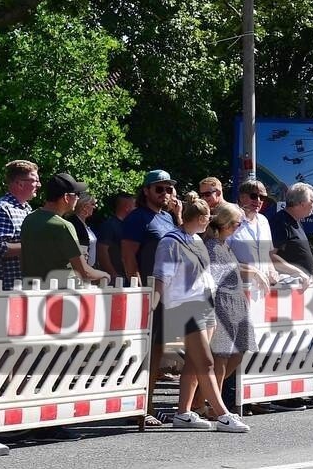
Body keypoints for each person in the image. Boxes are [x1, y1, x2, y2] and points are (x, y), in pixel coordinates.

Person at [153, 193, 249, 432]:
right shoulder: (170, 242)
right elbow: (161, 278)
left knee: (195, 365)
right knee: (206, 362)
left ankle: (183, 412)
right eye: (207, 217)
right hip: (184, 308)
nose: (210, 221)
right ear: (197, 217)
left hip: (203, 305)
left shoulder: (196, 240)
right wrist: (154, 307)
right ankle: (222, 413)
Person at [122, 169, 180, 427]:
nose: (165, 193)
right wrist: (137, 289)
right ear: (146, 191)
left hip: (169, 292)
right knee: (143, 351)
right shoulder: (138, 218)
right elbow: (128, 255)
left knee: (156, 351)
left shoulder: (167, 217)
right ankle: (138, 407)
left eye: (169, 188)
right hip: (148, 291)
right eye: (159, 188)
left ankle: (149, 404)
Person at [203, 203, 262, 418]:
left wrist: (254, 271)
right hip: (222, 305)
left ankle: (207, 397)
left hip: (236, 303)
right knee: (221, 357)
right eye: (237, 224)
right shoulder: (211, 247)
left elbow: (233, 269)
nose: (239, 227)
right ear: (226, 224)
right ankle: (214, 405)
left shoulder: (224, 244)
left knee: (238, 352)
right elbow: (213, 283)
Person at [20, 173, 109, 285]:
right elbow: (84, 272)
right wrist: (105, 275)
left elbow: (23, 260)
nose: (78, 198)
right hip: (61, 295)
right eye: (76, 194)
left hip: (32, 291)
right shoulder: (63, 226)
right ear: (66, 197)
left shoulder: (29, 220)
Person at [0, 160, 39, 290]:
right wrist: (34, 246)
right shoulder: (2, 208)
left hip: (27, 287)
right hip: (6, 291)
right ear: (20, 184)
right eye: (35, 180)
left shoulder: (27, 209)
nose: (39, 185)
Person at [270, 182, 313, 284]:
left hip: (302, 286)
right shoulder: (280, 222)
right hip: (287, 289)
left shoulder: (297, 221)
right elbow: (270, 255)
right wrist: (298, 273)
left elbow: (302, 257)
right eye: (312, 201)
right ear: (301, 203)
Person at [96, 192, 134, 281]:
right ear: (127, 207)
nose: (136, 209)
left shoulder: (128, 226)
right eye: (135, 206)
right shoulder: (109, 225)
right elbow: (102, 250)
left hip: (128, 278)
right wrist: (113, 274)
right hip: (115, 279)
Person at [67, 193, 98, 268]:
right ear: (84, 206)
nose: (95, 207)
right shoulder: (75, 224)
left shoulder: (83, 223)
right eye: (92, 204)